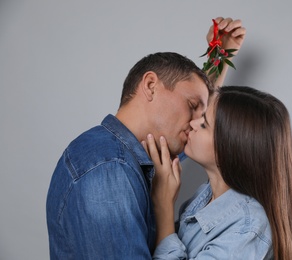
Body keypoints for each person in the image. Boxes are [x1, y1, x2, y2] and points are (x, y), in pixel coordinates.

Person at [46, 17, 245, 259]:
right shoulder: (109, 171)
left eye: (202, 117)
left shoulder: (130, 155)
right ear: (151, 86)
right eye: (192, 106)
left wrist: (218, 56)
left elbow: (194, 141)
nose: (196, 123)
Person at [145, 86, 292, 259]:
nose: (192, 123)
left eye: (204, 124)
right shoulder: (207, 194)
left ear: (231, 147)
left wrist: (164, 207)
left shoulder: (247, 227)